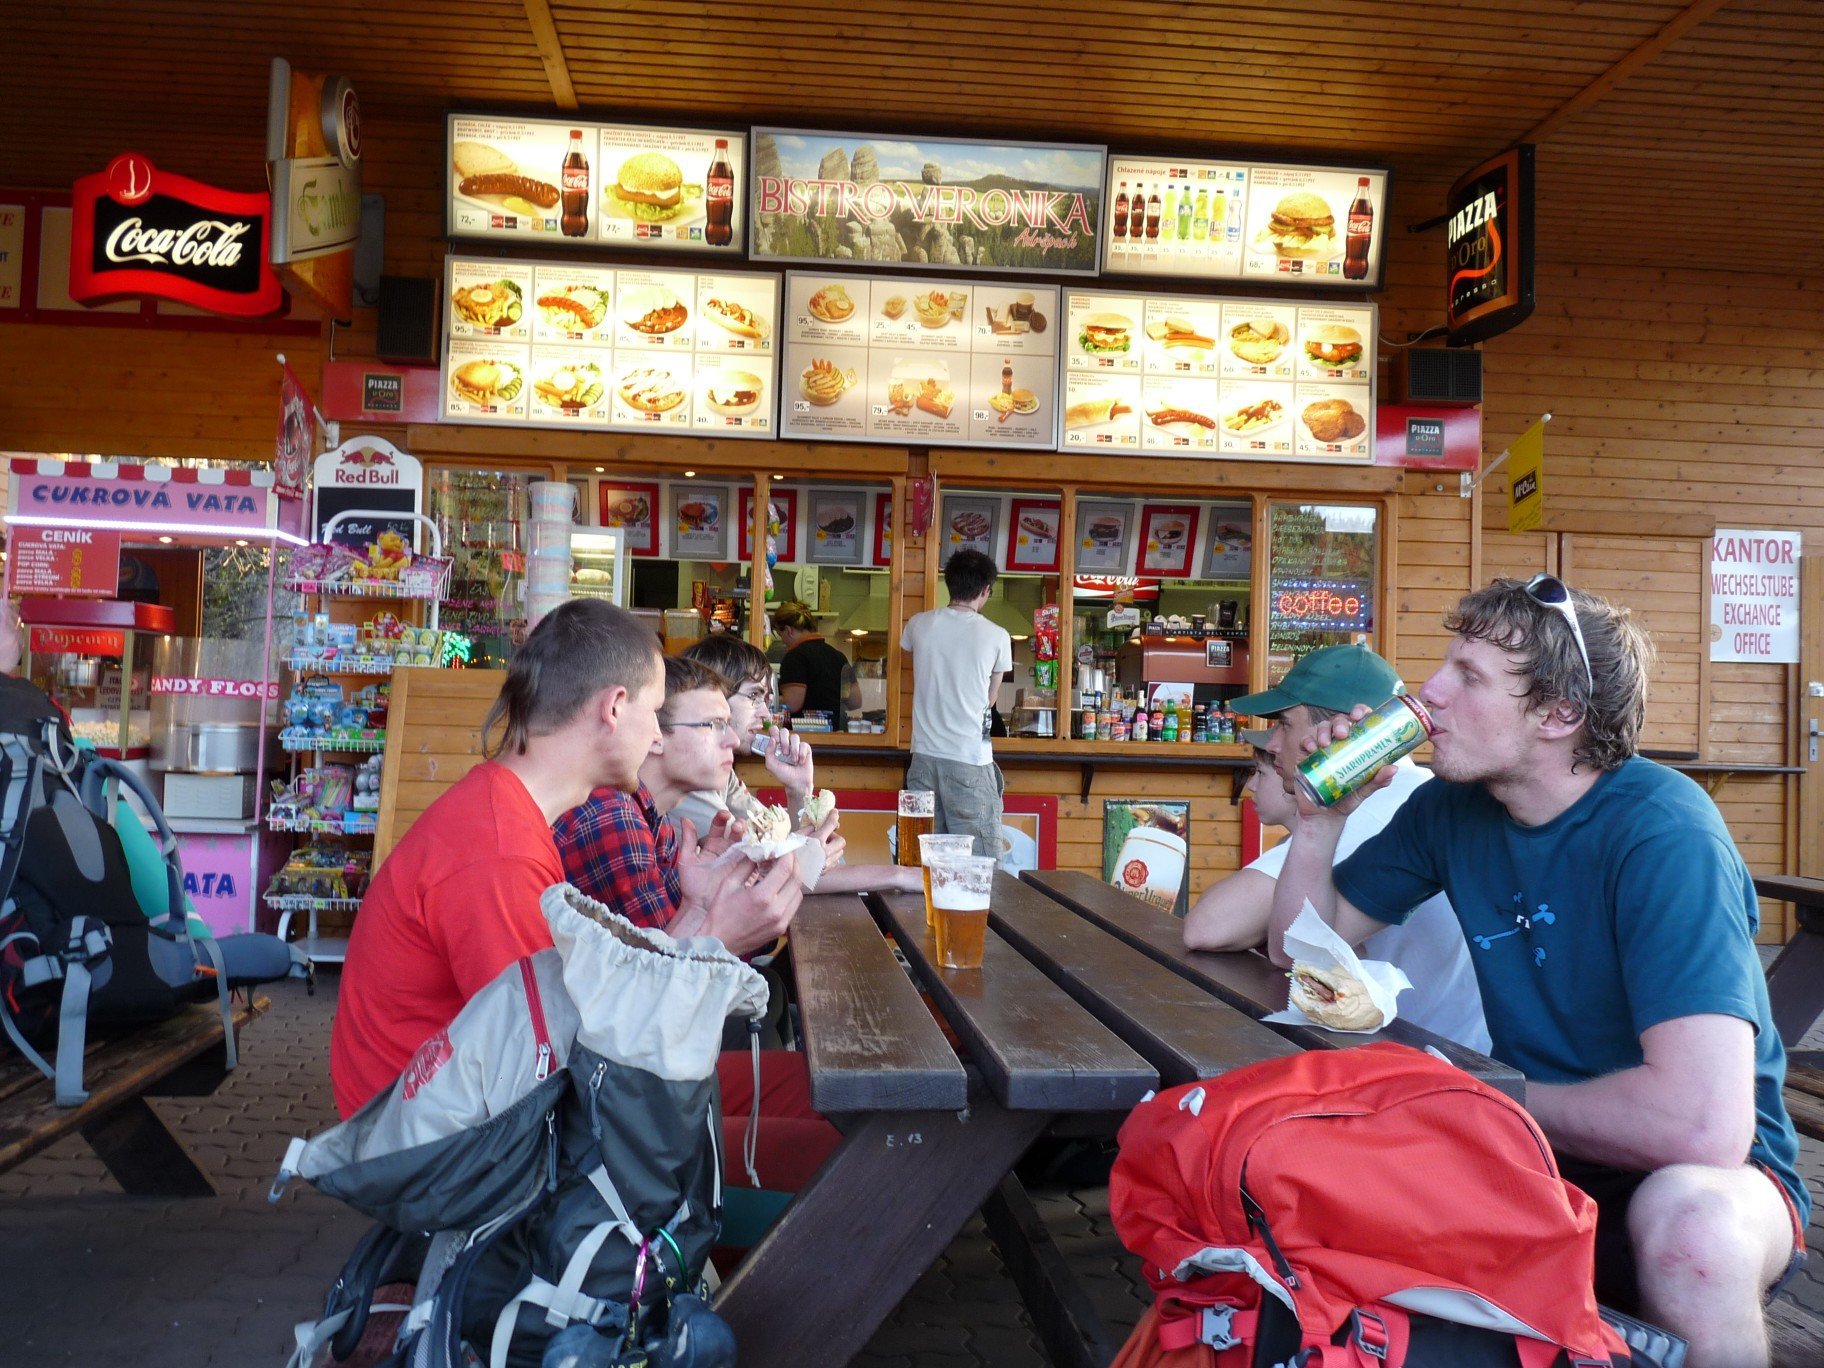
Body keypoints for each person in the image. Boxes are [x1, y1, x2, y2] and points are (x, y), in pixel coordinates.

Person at [1263, 577, 1808, 1368]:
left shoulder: (1663, 829)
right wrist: (1319, 824)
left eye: (1469, 676)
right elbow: (1298, 954)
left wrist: (1474, 1099)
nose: (1431, 692)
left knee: (1694, 1233)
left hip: (1713, 1176)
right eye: (1446, 666)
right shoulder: (1452, 808)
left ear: (1559, 715)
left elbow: (1703, 1128)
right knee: (1307, 1174)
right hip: (1539, 1151)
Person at [328, 599, 797, 1119]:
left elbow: (587, 1008)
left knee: (797, 1085)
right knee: (810, 1123)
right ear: (614, 708)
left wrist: (698, 911)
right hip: (445, 1147)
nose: (656, 736)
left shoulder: (512, 812)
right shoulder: (500, 852)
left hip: (483, 1113)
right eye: (654, 712)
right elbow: (564, 1069)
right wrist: (717, 938)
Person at [554, 652, 835, 1197]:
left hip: (640, 1081)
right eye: (713, 725)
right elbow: (654, 1003)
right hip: (615, 1117)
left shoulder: (651, 817)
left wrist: (718, 899)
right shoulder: (612, 817)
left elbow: (665, 957)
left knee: (825, 1088)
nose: (733, 741)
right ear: (655, 735)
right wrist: (750, 905)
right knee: (835, 1142)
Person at [1184, 644, 1489, 1052]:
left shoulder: (1388, 803)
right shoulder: (1410, 796)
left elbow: (1209, 927)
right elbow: (1296, 948)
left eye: (1284, 725)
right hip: (1400, 1049)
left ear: (1338, 728)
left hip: (1429, 1062)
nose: (1271, 745)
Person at [678, 634, 919, 895]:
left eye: (765, 699)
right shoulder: (689, 774)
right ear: (713, 697)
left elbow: (780, 852)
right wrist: (899, 875)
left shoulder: (722, 773)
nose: (765, 715)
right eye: (754, 696)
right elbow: (774, 876)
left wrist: (798, 790)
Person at [900, 549, 1013, 858]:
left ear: (948, 583)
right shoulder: (997, 636)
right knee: (980, 864)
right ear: (986, 589)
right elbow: (990, 699)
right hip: (969, 761)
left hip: (922, 761)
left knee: (924, 862)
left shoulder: (919, 624)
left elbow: (910, 654)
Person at [771, 601, 860, 726]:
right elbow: (855, 701)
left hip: (808, 732)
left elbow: (792, 703)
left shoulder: (795, 657)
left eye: (781, 635)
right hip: (837, 732)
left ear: (788, 630)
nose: (783, 641)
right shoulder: (838, 656)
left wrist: (768, 699)